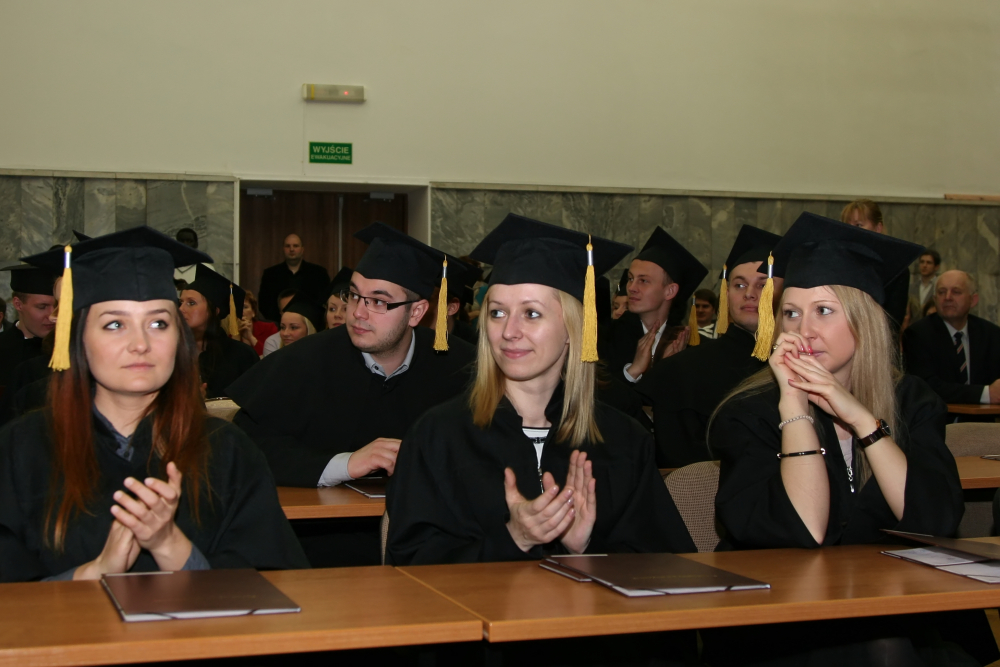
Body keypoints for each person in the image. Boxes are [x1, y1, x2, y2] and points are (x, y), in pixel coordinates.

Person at [705, 213, 985, 667]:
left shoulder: (912, 401)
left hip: (893, 600)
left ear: (864, 320)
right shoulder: (750, 412)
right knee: (883, 648)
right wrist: (794, 406)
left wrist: (860, 418)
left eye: (824, 310)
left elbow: (935, 520)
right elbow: (805, 531)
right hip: (778, 616)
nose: (803, 330)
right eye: (791, 313)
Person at [0, 226, 308, 582]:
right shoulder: (21, 450)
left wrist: (172, 547)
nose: (140, 343)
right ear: (78, 338)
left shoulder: (227, 450)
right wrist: (94, 573)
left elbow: (276, 582)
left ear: (179, 339)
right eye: (114, 324)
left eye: (159, 323)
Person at [387, 213, 694, 567]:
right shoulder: (439, 436)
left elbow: (668, 567)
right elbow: (409, 566)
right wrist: (513, 539)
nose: (509, 331)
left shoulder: (622, 441)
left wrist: (585, 548)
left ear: (573, 329)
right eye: (497, 313)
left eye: (531, 313)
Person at [227, 222, 476, 489]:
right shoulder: (305, 360)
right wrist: (345, 464)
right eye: (354, 295)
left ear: (416, 312)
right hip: (328, 514)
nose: (357, 312)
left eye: (378, 301)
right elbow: (245, 445)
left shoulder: (461, 366)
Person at [637, 225, 781, 467]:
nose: (749, 294)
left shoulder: (808, 365)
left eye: (763, 284)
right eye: (739, 285)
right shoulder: (681, 371)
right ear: (727, 294)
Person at [599, 227, 708, 384]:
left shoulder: (693, 345)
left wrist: (668, 369)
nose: (631, 288)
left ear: (670, 291)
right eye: (631, 279)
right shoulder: (607, 338)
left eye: (643, 281)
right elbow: (599, 395)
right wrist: (632, 372)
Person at [902, 270, 1000, 407]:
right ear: (935, 299)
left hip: (984, 418)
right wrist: (985, 394)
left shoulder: (991, 334)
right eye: (941, 292)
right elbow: (926, 386)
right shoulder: (918, 334)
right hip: (940, 417)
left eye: (956, 292)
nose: (948, 297)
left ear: (973, 300)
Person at [179, 265, 258, 399]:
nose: (181, 309)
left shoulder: (241, 356)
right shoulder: (173, 352)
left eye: (191, 303)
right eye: (180, 302)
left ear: (215, 311)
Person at [841, 199, 909, 332]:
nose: (851, 230)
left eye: (858, 225)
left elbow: (893, 322)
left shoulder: (896, 269)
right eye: (847, 225)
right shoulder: (838, 263)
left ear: (878, 228)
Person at [0, 265, 56, 389]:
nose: (52, 316)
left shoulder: (71, 350)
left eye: (57, 306)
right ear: (18, 304)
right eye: (42, 307)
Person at [257, 234, 330, 323]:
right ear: (283, 249)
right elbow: (264, 304)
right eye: (288, 246)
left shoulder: (319, 273)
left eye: (295, 246)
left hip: (311, 325)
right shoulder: (270, 274)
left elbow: (325, 301)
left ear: (302, 249)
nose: (291, 249)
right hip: (279, 324)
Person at [418, 254, 480, 346]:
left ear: (451, 307)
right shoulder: (408, 338)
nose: (414, 307)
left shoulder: (473, 348)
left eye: (426, 299)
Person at [238, 289, 277, 357]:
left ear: (253, 312)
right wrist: (236, 336)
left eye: (245, 307)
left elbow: (271, 357)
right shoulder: (228, 333)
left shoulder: (269, 328)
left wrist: (251, 337)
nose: (240, 311)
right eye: (237, 307)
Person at [261, 288, 298, 357]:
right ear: (281, 313)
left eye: (294, 309)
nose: (286, 333)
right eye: (286, 310)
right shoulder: (273, 342)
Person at [909, 249, 941, 323]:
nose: (924, 265)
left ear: (936, 267)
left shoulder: (940, 287)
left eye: (928, 263)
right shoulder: (911, 287)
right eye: (922, 262)